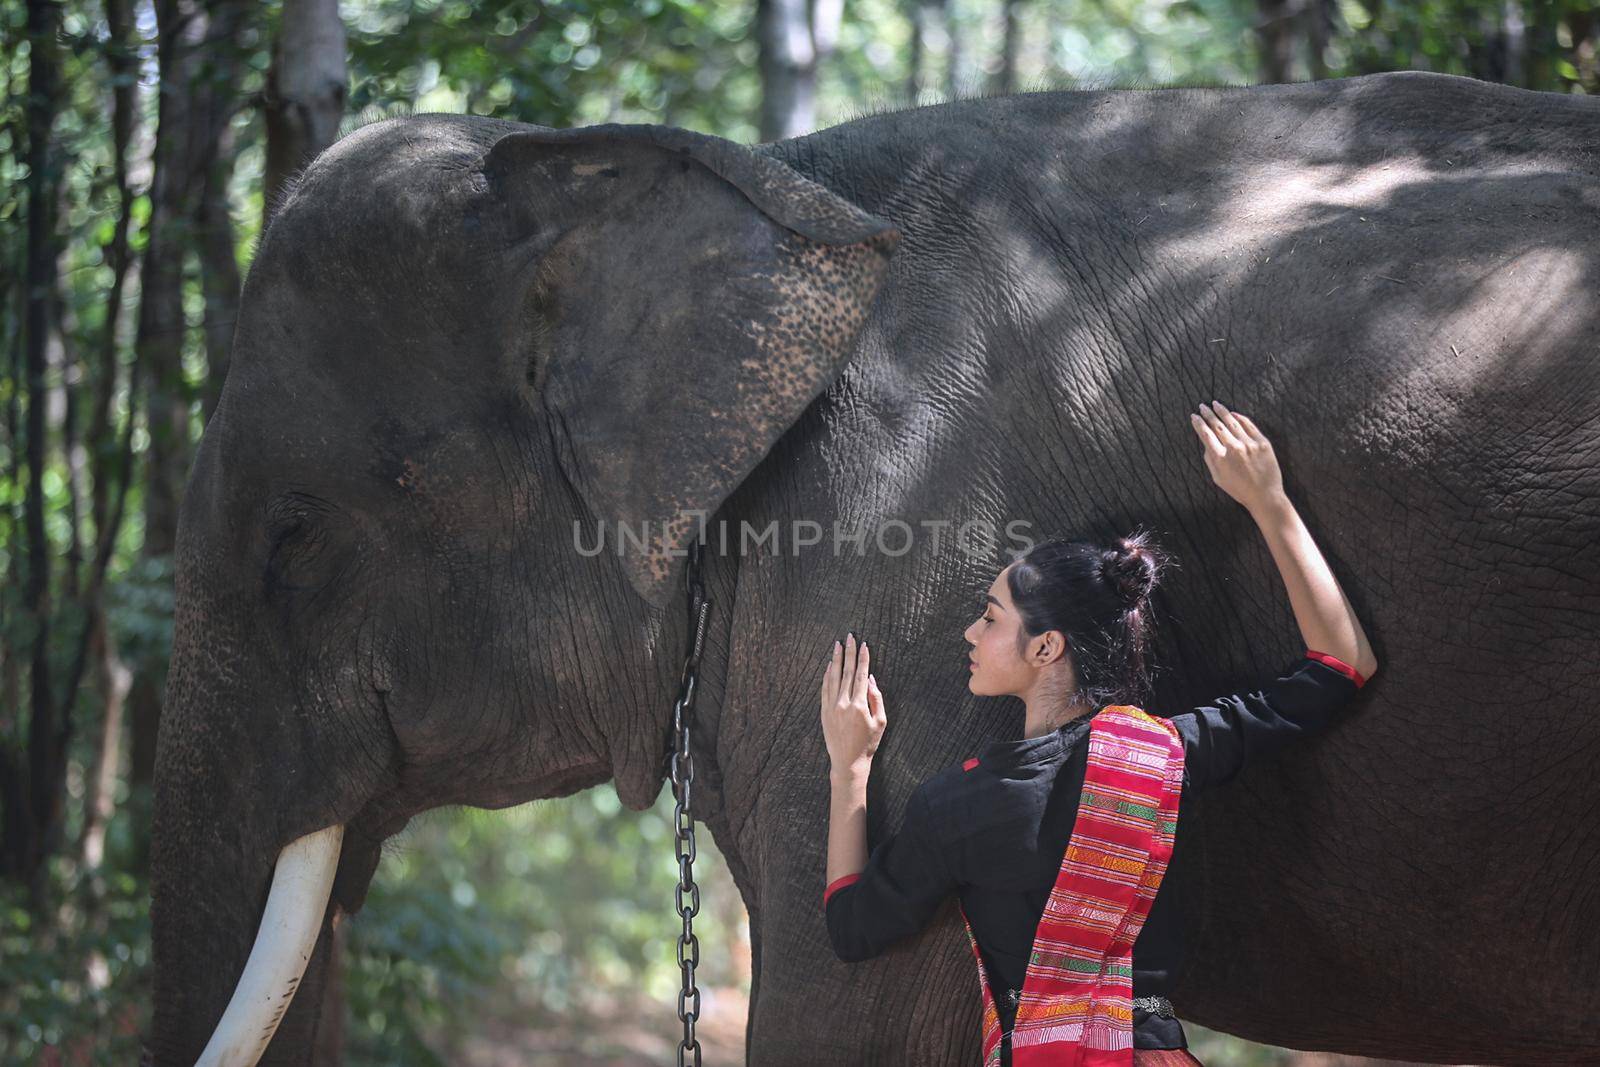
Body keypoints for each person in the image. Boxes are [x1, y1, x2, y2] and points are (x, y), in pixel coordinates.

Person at [819, 400, 1379, 1066]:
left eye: (991, 618)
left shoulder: (956, 808)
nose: (972, 632)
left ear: (1047, 646)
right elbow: (1342, 668)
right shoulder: (1167, 755)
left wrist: (849, 767)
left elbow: (852, 928)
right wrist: (1269, 501)